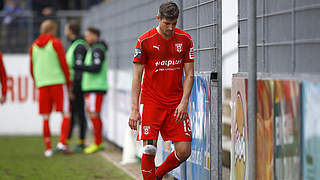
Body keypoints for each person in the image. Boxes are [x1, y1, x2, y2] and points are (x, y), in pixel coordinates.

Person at [128, 2, 194, 180]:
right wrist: (134, 109)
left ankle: (157, 175)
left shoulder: (185, 39)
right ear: (158, 19)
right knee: (149, 149)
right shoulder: (144, 41)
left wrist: (184, 102)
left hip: (175, 104)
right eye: (167, 23)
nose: (171, 28)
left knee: (184, 150)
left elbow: (189, 75)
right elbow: (137, 78)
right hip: (151, 102)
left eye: (174, 23)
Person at [29, 20, 72, 157]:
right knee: (66, 113)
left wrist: (37, 81)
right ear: (52, 30)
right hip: (58, 82)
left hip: (42, 85)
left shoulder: (33, 46)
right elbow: (63, 64)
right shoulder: (55, 43)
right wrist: (68, 82)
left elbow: (31, 68)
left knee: (45, 117)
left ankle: (47, 148)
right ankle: (62, 142)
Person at [74, 27, 108, 154]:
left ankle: (98, 143)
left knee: (94, 114)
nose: (86, 37)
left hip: (96, 87)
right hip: (91, 88)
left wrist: (79, 66)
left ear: (95, 35)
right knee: (93, 114)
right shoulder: (93, 48)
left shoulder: (97, 49)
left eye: (88, 35)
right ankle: (98, 142)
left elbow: (96, 68)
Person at [64, 20, 88, 152]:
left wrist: (73, 88)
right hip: (74, 85)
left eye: (66, 29)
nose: (65, 31)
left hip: (77, 86)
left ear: (70, 31)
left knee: (78, 113)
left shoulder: (79, 46)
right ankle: (67, 141)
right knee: (74, 113)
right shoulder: (74, 45)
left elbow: (78, 69)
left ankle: (81, 142)